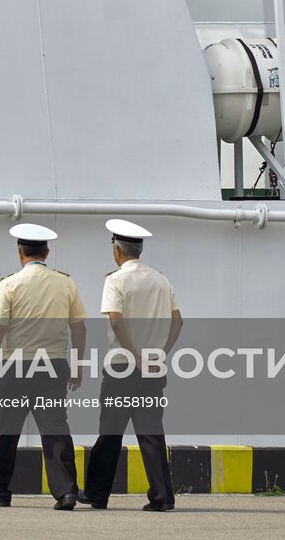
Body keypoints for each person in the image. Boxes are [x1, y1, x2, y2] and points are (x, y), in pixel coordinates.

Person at [0, 223, 87, 510]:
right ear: (47, 252)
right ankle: (66, 492)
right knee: (55, 429)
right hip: (53, 366)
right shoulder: (66, 283)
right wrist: (77, 366)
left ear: (19, 253)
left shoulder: (10, 284)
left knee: (7, 430)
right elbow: (79, 329)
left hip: (16, 367)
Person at [80, 219, 183, 512]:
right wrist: (161, 353)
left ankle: (97, 494)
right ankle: (163, 497)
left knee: (110, 432)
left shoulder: (115, 280)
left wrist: (134, 355)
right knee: (151, 433)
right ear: (139, 249)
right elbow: (178, 321)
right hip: (153, 370)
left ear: (117, 250)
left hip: (122, 369)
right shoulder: (161, 280)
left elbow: (115, 318)